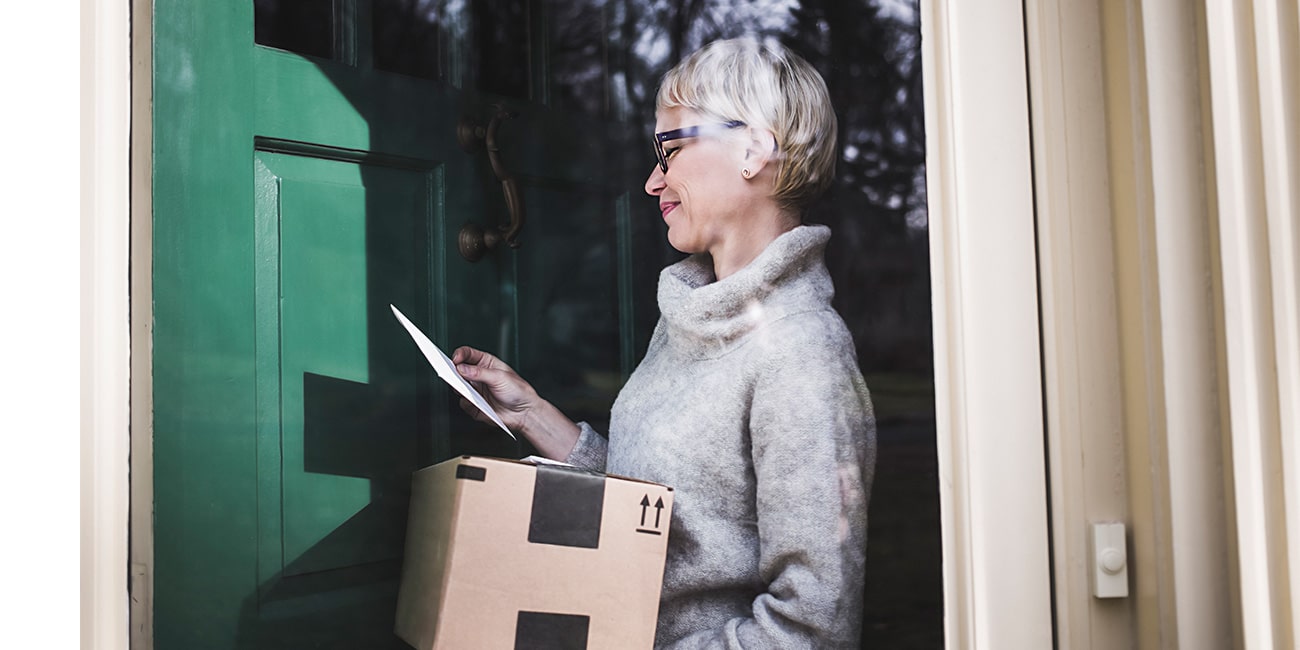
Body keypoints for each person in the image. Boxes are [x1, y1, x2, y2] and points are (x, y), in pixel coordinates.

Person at [451, 37, 876, 649]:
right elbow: (662, 512)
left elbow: (812, 630)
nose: (653, 181)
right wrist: (532, 414)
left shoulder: (800, 355)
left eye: (669, 149)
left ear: (753, 147)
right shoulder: (693, 311)